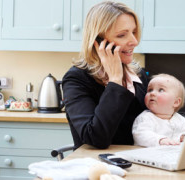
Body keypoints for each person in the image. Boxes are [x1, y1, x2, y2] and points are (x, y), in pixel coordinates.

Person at [62, 1, 148, 150]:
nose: (134, 41)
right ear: (98, 42)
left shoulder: (139, 75)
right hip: (99, 166)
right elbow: (95, 138)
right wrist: (115, 80)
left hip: (140, 163)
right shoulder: (77, 79)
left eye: (133, 32)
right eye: (122, 35)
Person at [132, 74, 185, 147]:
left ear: (176, 102)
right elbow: (140, 135)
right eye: (150, 90)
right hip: (148, 155)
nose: (152, 93)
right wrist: (160, 140)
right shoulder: (145, 118)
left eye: (161, 90)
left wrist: (182, 138)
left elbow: (181, 136)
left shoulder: (181, 120)